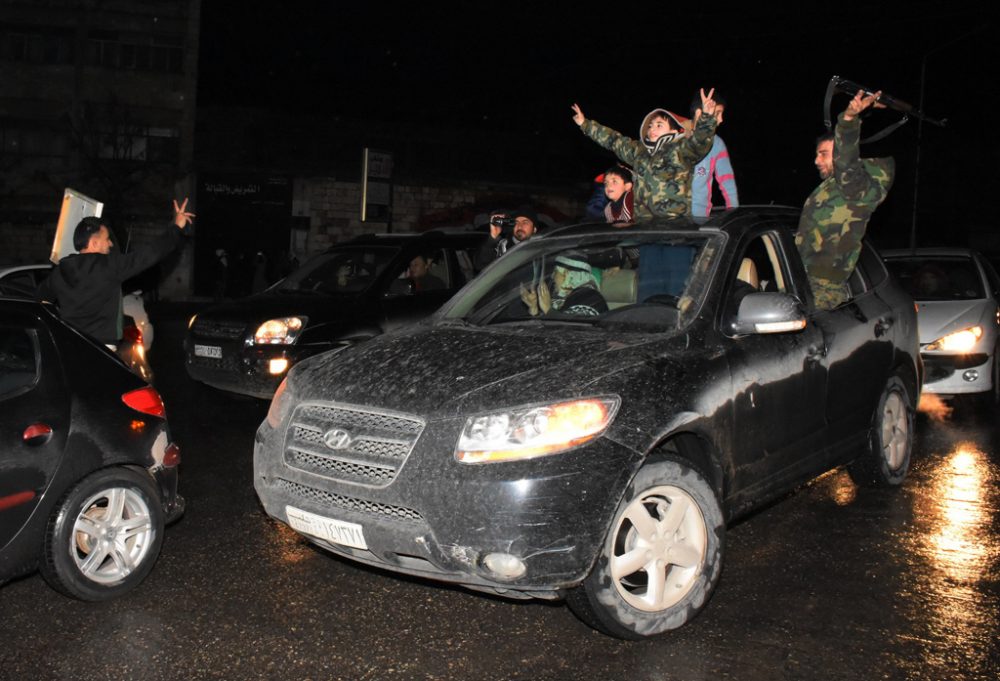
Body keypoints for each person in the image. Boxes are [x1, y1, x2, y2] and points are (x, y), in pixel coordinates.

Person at [40, 199, 195, 348]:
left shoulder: (59, 271)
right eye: (107, 239)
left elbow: (40, 299)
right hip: (101, 348)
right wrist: (175, 228)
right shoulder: (109, 266)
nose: (111, 243)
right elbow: (148, 254)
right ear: (94, 243)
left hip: (70, 344)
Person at [795, 90, 894, 310]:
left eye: (823, 153)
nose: (816, 160)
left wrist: (849, 120)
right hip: (804, 280)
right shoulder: (830, 188)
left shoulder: (858, 188)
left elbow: (847, 165)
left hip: (824, 289)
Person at [571, 88, 717, 219]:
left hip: (675, 226)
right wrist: (585, 124)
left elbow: (700, 142)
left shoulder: (682, 149)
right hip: (646, 226)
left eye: (659, 125)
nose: (652, 128)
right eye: (650, 125)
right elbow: (614, 140)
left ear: (673, 131)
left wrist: (707, 118)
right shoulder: (638, 151)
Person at [689, 91, 739, 217]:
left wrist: (733, 211)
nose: (721, 119)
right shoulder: (676, 139)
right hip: (670, 218)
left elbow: (727, 179)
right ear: (699, 113)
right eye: (717, 113)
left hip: (699, 218)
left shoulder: (717, 143)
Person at [520, 253, 608, 317]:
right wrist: (534, 309)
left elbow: (572, 333)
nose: (552, 276)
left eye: (556, 272)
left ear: (569, 275)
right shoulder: (561, 299)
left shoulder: (590, 298)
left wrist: (548, 309)